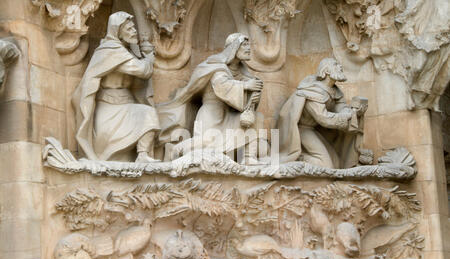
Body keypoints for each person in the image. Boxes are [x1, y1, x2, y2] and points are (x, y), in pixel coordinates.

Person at [157, 33, 268, 164]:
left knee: (258, 118)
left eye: (249, 45)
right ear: (234, 47)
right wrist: (246, 86)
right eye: (244, 44)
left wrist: (254, 91)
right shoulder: (216, 65)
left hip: (229, 114)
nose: (248, 48)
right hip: (212, 113)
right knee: (207, 142)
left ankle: (249, 157)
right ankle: (175, 149)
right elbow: (222, 86)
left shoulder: (241, 71)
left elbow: (244, 95)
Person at [72, 11, 160, 163]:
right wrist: (149, 60)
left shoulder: (126, 52)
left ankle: (142, 155)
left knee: (148, 113)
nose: (134, 32)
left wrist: (139, 53)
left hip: (126, 105)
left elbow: (138, 84)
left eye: (134, 28)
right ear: (117, 31)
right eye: (129, 29)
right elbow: (143, 71)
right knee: (147, 113)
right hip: (108, 110)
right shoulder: (110, 51)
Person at [278, 58, 368, 168]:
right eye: (336, 65)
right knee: (326, 165)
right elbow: (323, 118)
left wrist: (354, 112)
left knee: (336, 163)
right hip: (300, 130)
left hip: (312, 130)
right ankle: (298, 158)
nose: (340, 67)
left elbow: (341, 108)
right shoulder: (312, 91)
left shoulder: (334, 91)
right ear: (326, 71)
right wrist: (348, 116)